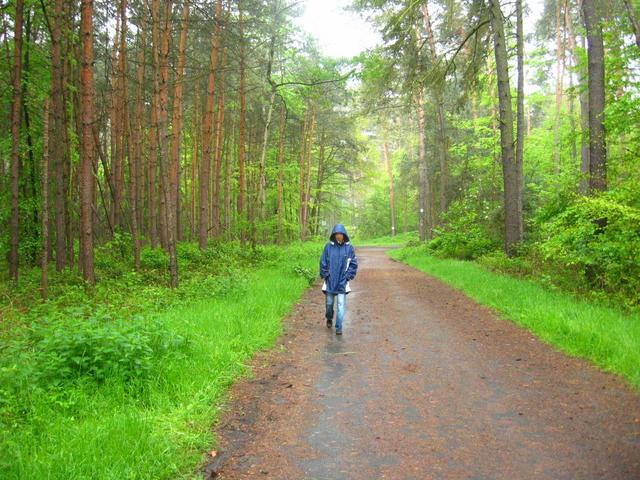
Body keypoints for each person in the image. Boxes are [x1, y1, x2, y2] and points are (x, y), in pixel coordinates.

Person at [319, 223, 358, 335]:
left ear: (344, 234)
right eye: (336, 234)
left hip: (342, 282)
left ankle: (339, 327)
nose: (338, 236)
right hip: (330, 281)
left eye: (340, 234)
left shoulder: (349, 248)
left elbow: (353, 264)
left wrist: (347, 277)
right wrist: (326, 274)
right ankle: (329, 318)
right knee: (329, 304)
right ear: (334, 235)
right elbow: (323, 262)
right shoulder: (328, 247)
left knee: (341, 306)